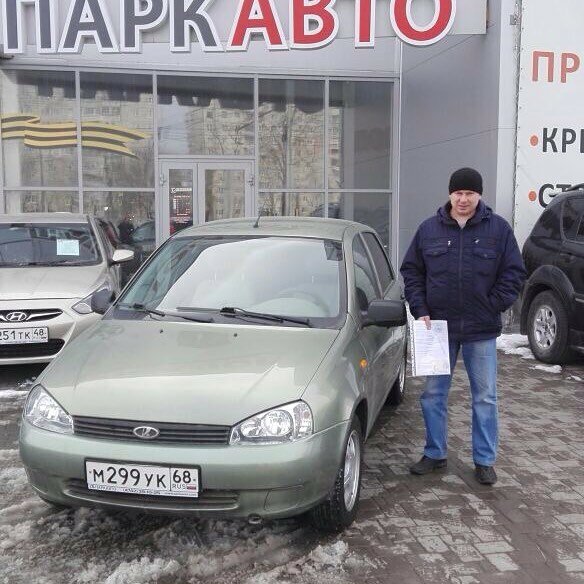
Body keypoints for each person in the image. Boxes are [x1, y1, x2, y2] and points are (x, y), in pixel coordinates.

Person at [400, 168, 526, 485]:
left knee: (485, 397)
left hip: (480, 330)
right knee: (432, 395)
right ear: (450, 194)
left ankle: (484, 460)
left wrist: (493, 304)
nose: (464, 199)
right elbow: (412, 272)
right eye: (458, 193)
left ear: (479, 195)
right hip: (438, 329)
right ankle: (435, 453)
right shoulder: (429, 229)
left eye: (470, 193)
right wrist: (420, 308)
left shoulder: (498, 230)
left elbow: (514, 272)